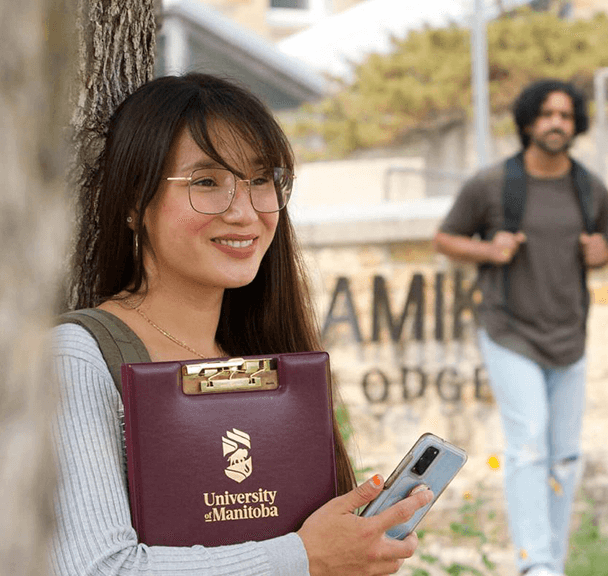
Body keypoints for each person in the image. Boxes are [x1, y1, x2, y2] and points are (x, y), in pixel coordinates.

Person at [51, 73, 433, 575]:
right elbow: (97, 569)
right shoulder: (77, 356)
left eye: (260, 181)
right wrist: (305, 556)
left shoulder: (264, 358)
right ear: (132, 204)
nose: (244, 212)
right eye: (206, 182)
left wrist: (353, 548)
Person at [434, 79, 608, 576]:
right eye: (548, 114)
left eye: (567, 115)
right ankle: (535, 563)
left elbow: (604, 246)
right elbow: (445, 238)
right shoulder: (492, 184)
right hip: (510, 331)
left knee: (565, 457)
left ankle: (552, 558)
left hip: (570, 335)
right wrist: (489, 250)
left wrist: (602, 253)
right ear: (529, 122)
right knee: (529, 443)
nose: (558, 123)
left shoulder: (590, 188)